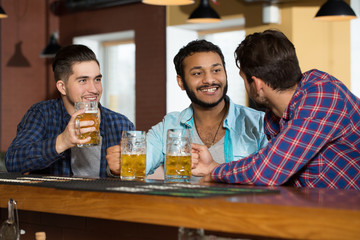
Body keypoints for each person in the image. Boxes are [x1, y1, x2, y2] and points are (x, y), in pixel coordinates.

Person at [192, 29, 360, 190]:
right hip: (320, 210)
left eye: (244, 79)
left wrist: (215, 172)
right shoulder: (274, 117)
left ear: (257, 84)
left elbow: (266, 172)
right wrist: (214, 167)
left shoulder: (323, 96)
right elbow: (271, 167)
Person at [106, 39, 268, 178]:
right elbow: (139, 164)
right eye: (197, 73)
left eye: (216, 70)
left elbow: (271, 179)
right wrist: (118, 166)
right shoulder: (169, 126)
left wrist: (214, 168)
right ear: (181, 82)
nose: (209, 79)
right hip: (180, 213)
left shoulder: (260, 123)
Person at [5, 44, 134, 177]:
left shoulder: (121, 124)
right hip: (58, 198)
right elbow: (13, 162)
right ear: (62, 87)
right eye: (83, 80)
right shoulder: (42, 114)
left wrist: (117, 172)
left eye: (97, 79)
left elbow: (135, 181)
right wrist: (62, 141)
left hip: (104, 198)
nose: (94, 89)